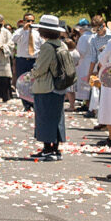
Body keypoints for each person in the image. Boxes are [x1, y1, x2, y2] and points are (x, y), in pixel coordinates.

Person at [29, 15, 75, 160]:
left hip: (46, 86)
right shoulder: (62, 44)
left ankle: (47, 149)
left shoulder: (47, 47)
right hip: (59, 86)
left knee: (45, 118)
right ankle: (55, 149)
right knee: (56, 118)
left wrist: (31, 74)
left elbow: (41, 68)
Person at [12, 13, 38, 111]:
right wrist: (23, 30)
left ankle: (33, 103)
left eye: (32, 21)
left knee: (34, 82)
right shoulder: (19, 32)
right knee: (22, 82)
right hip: (22, 60)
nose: (30, 23)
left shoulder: (37, 33)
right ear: (23, 22)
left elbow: (41, 45)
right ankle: (26, 104)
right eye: (28, 21)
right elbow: (13, 39)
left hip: (34, 60)